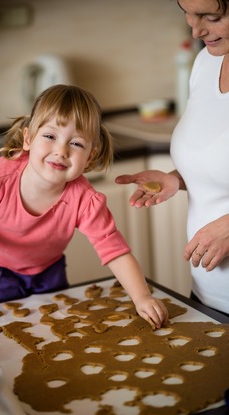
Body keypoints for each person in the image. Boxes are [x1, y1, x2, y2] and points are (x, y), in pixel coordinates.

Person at [0, 84, 168, 328]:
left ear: (90, 156)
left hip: (49, 271)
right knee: (0, 331)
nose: (61, 151)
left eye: (76, 144)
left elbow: (115, 251)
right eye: (50, 137)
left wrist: (142, 297)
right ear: (28, 139)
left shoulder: (85, 199)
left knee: (54, 329)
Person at [115, 0, 229, 315]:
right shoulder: (206, 62)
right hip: (208, 292)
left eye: (212, 17)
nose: (197, 30)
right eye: (189, 15)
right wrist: (176, 178)